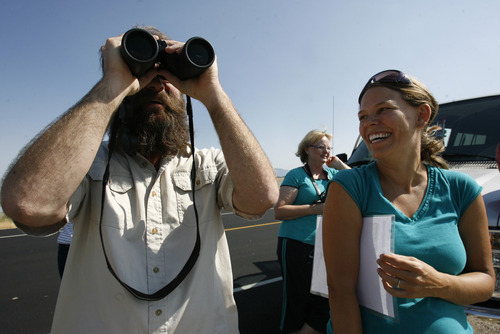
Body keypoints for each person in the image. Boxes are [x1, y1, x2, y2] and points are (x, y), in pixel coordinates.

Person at [0, 26, 279, 333]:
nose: (157, 84)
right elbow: (28, 203)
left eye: (168, 76)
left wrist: (214, 95)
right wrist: (111, 85)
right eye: (144, 72)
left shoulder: (207, 163)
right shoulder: (88, 163)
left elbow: (262, 196)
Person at [322, 70, 495, 333]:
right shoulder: (350, 187)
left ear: (422, 116)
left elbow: (484, 282)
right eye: (363, 116)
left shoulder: (463, 189)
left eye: (383, 109)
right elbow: (339, 290)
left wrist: (438, 283)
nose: (370, 122)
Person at [274, 130, 350, 334]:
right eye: (320, 146)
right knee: (297, 297)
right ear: (307, 149)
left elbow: (357, 180)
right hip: (297, 245)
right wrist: (316, 209)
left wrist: (339, 165)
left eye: (328, 148)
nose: (326, 151)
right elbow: (279, 211)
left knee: (324, 297)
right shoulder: (296, 175)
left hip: (325, 245)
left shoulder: (333, 174)